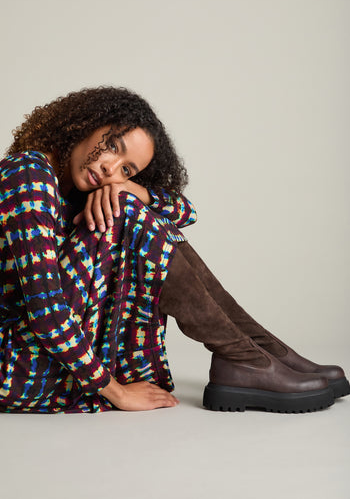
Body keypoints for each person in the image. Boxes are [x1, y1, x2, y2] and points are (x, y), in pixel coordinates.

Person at [0, 87, 348, 414]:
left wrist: (135, 190)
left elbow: (186, 213)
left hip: (44, 353)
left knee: (133, 209)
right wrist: (116, 391)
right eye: (112, 146)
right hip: (16, 366)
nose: (111, 169)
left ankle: (260, 353)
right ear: (83, 125)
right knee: (129, 214)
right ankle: (244, 357)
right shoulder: (28, 174)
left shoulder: (75, 186)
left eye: (127, 169)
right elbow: (46, 312)